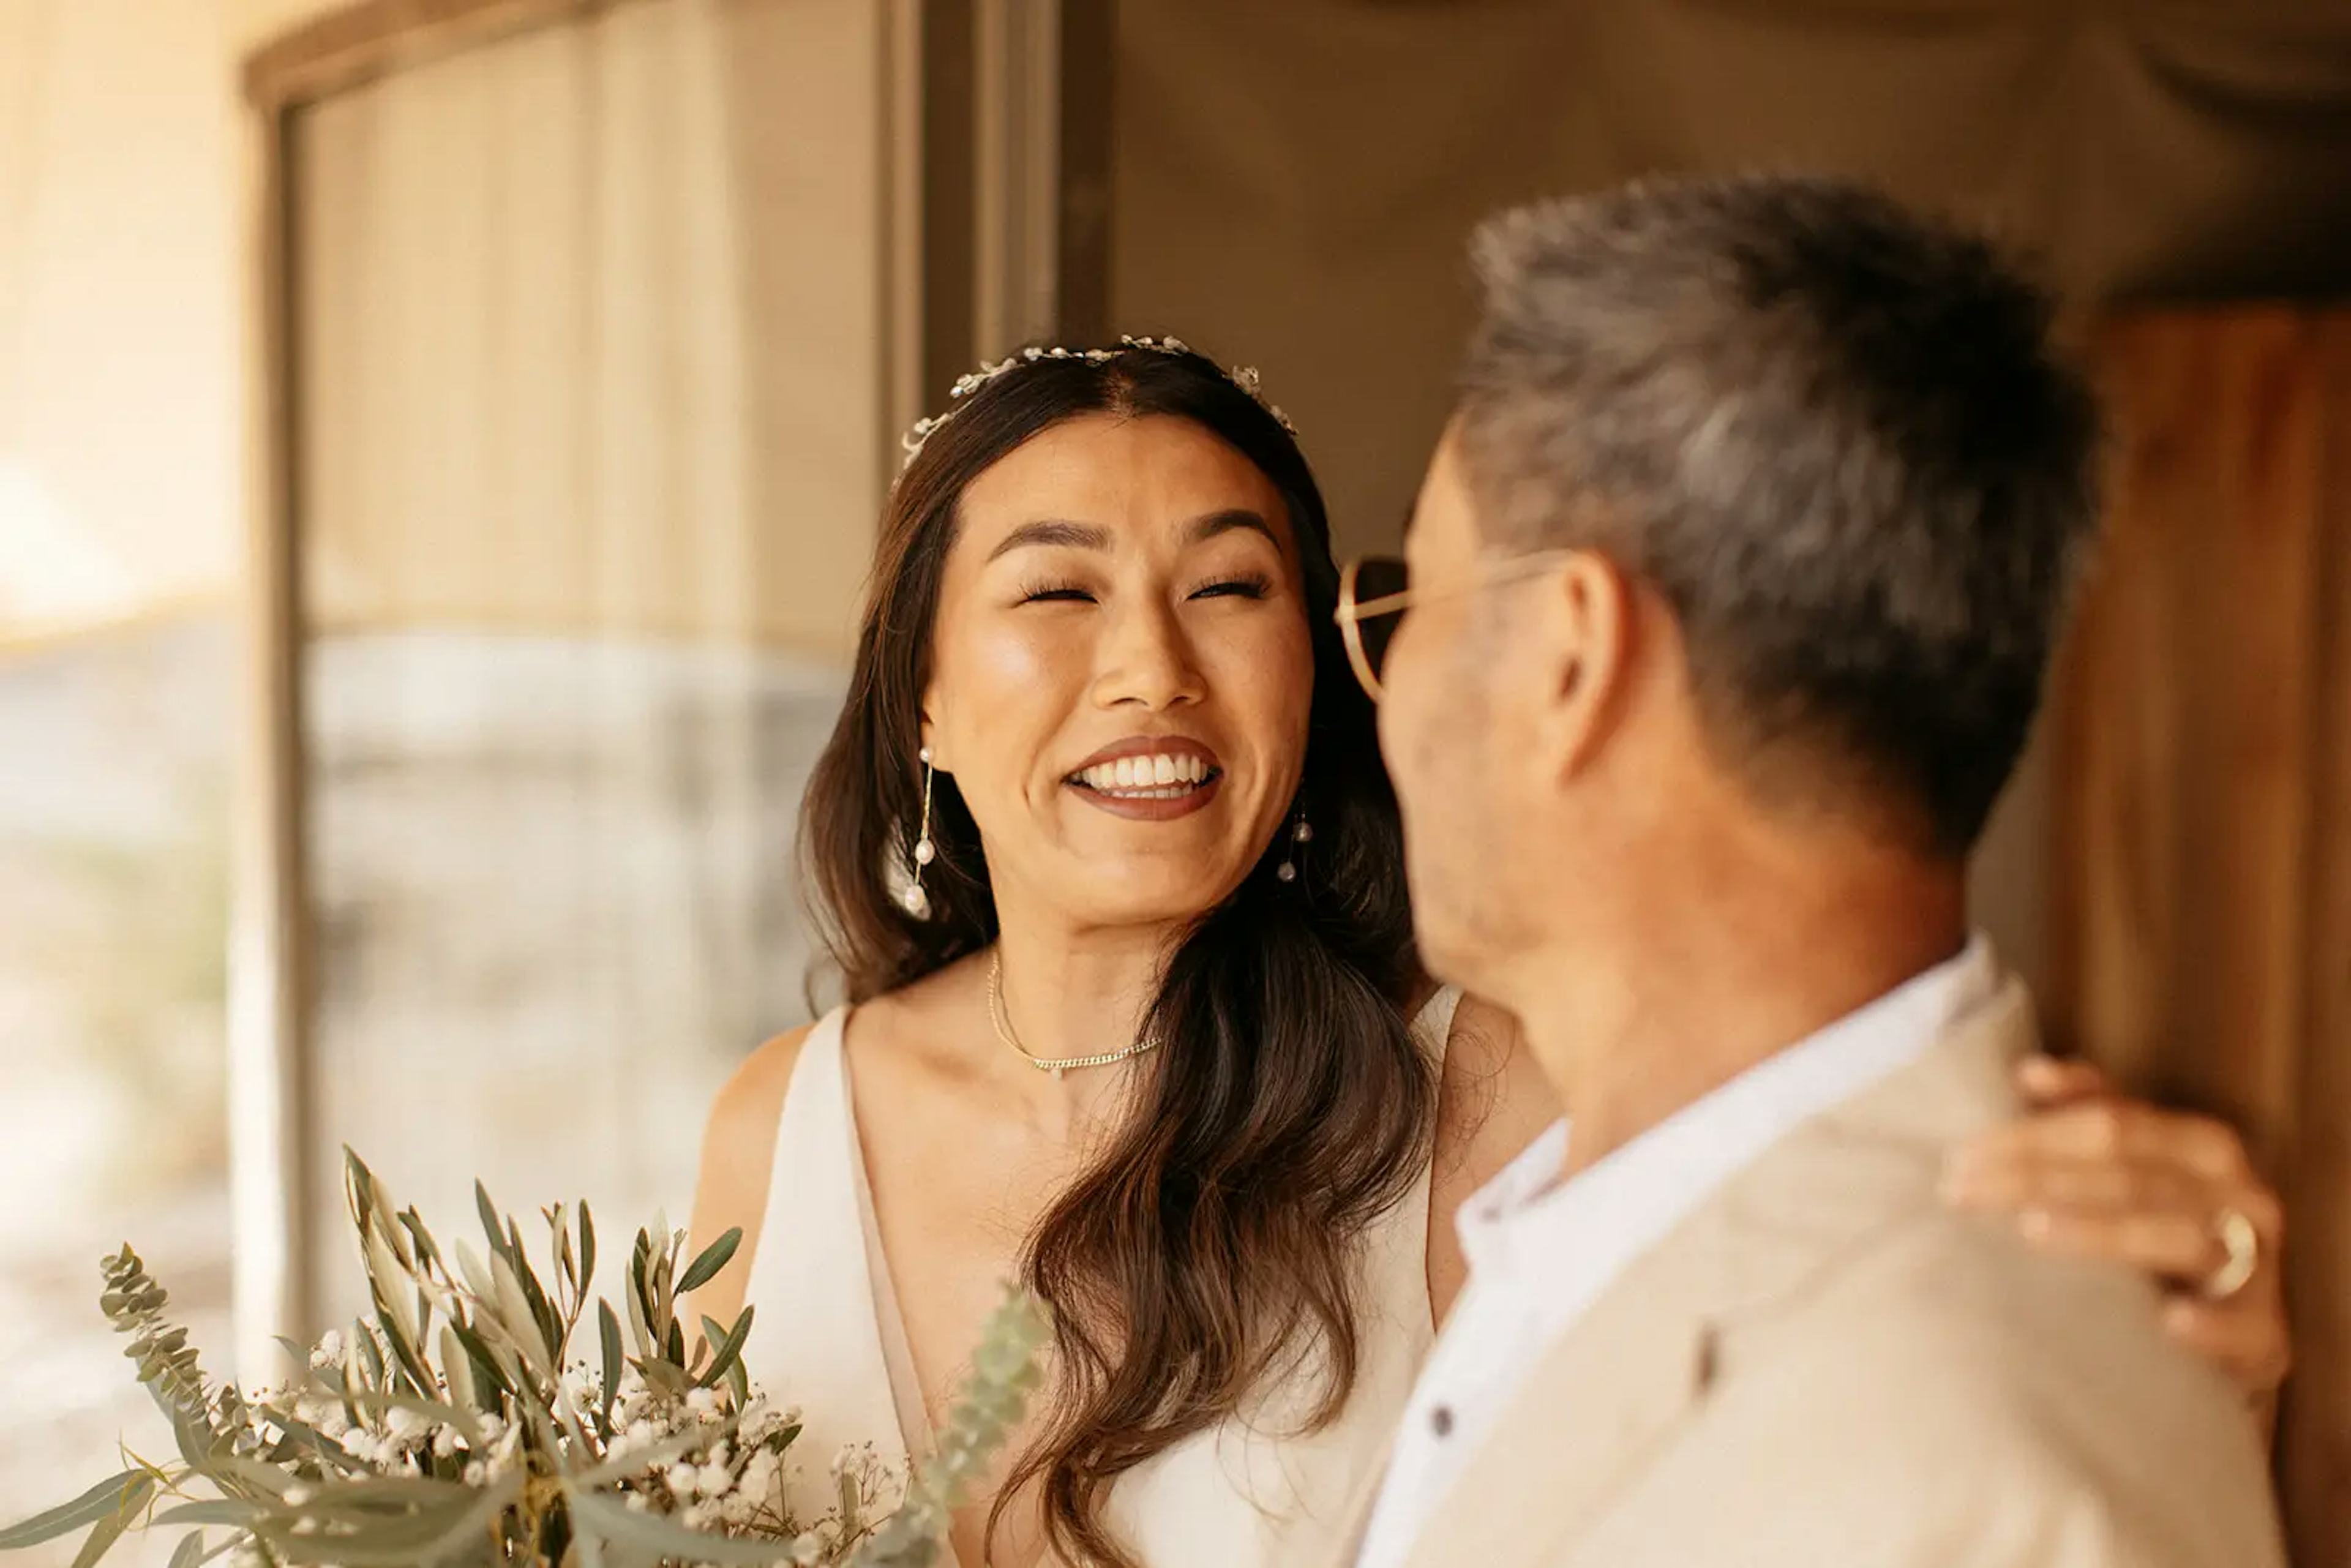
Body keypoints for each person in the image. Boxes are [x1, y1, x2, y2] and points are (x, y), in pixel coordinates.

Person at [689, 338, 2287, 1568]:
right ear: (920, 699)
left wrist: (2194, 1342)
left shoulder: (1485, 1092)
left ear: (1321, 673)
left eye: (1229, 587)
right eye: (1059, 588)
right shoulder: (784, 1126)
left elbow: (1844, 1374)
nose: (1151, 669)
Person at [1335, 175, 2286, 1568]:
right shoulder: (1601, 1223)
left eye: (1407, 602)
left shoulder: (1956, 1455)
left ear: (1572, 660)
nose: (1388, 694)